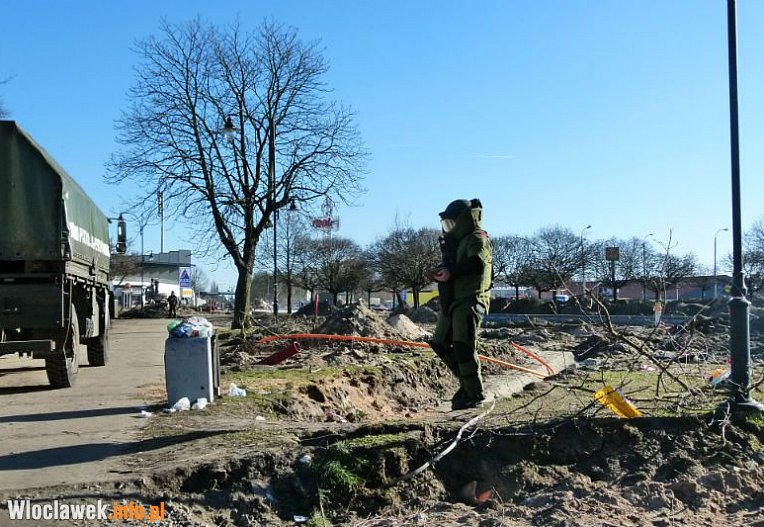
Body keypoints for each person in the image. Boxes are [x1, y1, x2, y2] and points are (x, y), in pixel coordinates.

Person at [429, 199, 493, 410]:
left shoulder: (477, 237)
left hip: (471, 299)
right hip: (454, 301)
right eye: (445, 224)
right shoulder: (458, 242)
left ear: (464, 220)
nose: (448, 229)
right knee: (439, 342)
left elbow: (477, 264)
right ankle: (467, 385)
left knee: (464, 346)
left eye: (451, 224)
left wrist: (451, 272)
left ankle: (474, 392)